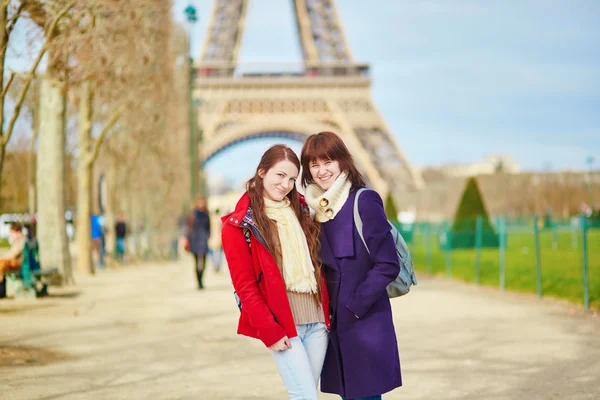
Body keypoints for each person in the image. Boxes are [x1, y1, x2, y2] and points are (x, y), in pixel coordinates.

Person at [221, 144, 331, 400]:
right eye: (279, 175)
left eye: (292, 178)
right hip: (283, 324)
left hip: (317, 322)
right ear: (262, 172)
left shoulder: (304, 213)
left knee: (305, 396)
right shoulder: (238, 227)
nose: (286, 184)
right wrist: (269, 330)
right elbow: (245, 287)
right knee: (306, 397)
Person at [301, 131, 402, 400]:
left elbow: (388, 263)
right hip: (334, 324)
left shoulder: (364, 200)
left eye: (328, 162)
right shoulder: (312, 211)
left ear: (342, 162)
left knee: (365, 395)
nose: (321, 171)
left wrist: (355, 306)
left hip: (364, 322)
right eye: (314, 164)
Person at [186, 196, 211, 289]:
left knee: (204, 262)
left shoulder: (206, 214)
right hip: (194, 240)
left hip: (203, 240)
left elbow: (209, 227)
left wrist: (207, 236)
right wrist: (188, 238)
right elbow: (188, 227)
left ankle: (201, 279)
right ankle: (199, 282)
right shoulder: (192, 214)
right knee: (196, 262)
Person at [0, 223, 27, 298]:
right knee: (1, 264)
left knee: (1, 264)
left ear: (18, 232)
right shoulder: (20, 241)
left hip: (19, 264)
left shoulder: (21, 241)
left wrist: (1, 257)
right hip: (17, 263)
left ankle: (1, 290)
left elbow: (13, 254)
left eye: (12, 233)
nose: (11, 235)